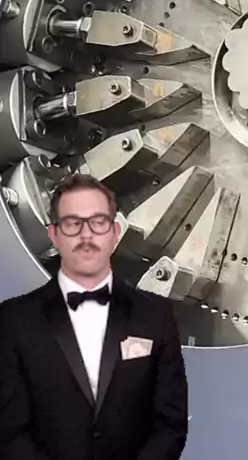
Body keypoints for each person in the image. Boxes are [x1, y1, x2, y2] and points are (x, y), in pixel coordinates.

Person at [0, 171, 188, 460]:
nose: (86, 236)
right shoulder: (15, 318)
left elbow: (170, 425)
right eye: (72, 224)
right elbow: (8, 428)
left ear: (115, 233)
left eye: (98, 223)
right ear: (53, 235)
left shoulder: (156, 316)